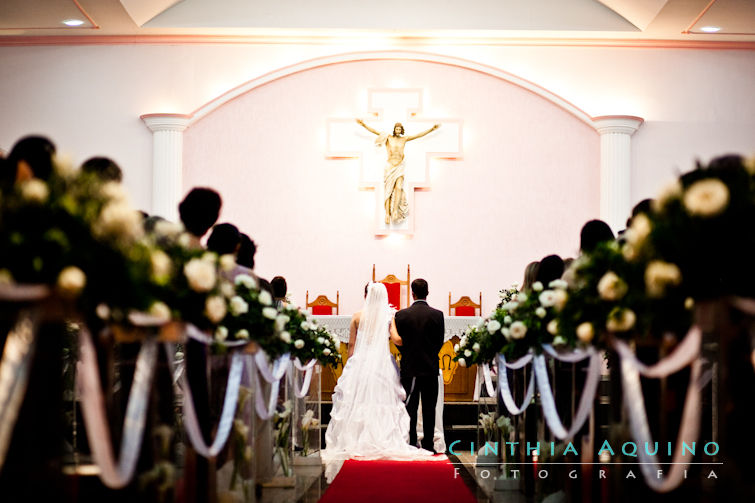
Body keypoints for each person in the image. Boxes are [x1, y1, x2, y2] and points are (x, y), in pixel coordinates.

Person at [322, 283, 434, 482]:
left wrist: (350, 369)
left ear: (366, 295)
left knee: (357, 403)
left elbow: (352, 347)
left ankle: (355, 438)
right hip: (383, 366)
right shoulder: (388, 317)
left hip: (360, 365)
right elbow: (397, 340)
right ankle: (383, 437)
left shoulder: (357, 317)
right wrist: (414, 339)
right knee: (385, 402)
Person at [356, 119, 440, 225]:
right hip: (390, 166)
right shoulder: (388, 137)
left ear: (402, 130)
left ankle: (395, 210)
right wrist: (363, 124)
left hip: (399, 166)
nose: (398, 130)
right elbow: (374, 131)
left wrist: (432, 129)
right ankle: (387, 213)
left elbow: (418, 135)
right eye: (396, 128)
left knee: (399, 187)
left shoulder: (404, 139)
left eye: (400, 128)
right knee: (388, 191)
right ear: (394, 129)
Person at [394, 278, 445, 452]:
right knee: (430, 407)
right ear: (427, 292)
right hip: (430, 367)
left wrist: (408, 354)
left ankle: (412, 441)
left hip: (410, 368)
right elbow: (439, 341)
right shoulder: (437, 315)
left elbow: (398, 342)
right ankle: (429, 444)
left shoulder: (401, 315)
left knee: (411, 408)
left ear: (412, 293)